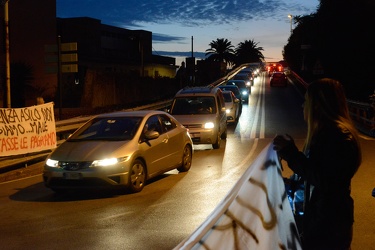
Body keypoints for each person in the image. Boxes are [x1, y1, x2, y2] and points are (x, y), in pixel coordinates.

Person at [273, 78, 362, 250]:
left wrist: (291, 154)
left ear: (318, 105)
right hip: (319, 224)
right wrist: (288, 182)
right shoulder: (323, 135)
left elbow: (326, 180)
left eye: (306, 101)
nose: (302, 106)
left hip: (328, 228)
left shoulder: (338, 137)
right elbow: (313, 178)